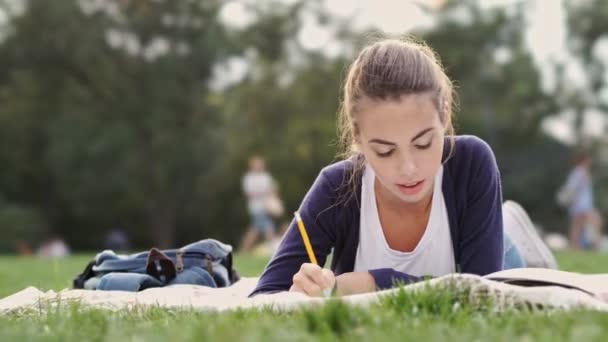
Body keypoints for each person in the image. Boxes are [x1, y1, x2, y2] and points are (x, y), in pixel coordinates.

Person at [251, 38, 556, 297]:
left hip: (497, 251)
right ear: (358, 136)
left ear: (444, 116)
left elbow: (482, 293)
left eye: (423, 144)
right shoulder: (337, 186)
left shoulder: (471, 162)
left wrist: (372, 282)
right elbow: (264, 297)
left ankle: (509, 226)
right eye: (384, 151)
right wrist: (300, 291)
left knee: (520, 274)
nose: (408, 169)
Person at [558, 152, 603, 250]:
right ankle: (594, 245)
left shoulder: (580, 172)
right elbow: (572, 188)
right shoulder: (579, 172)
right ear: (584, 161)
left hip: (581, 205)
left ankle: (575, 247)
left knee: (577, 227)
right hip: (581, 205)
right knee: (594, 221)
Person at [240, 156, 281, 252]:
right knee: (268, 228)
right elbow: (248, 193)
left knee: (254, 230)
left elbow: (273, 189)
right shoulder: (249, 178)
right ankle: (274, 251)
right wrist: (263, 194)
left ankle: (244, 249)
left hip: (267, 207)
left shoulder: (266, 177)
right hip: (256, 208)